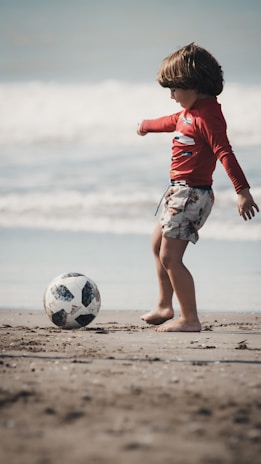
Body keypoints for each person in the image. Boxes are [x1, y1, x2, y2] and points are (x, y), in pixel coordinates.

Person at [137, 43, 259, 333]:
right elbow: (171, 122)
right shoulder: (190, 112)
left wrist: (242, 191)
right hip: (177, 192)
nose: (171, 96)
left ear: (192, 84)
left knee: (170, 257)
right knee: (157, 247)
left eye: (174, 90)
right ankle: (165, 305)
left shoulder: (208, 116)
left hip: (192, 195)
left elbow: (224, 152)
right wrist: (146, 125)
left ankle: (190, 318)